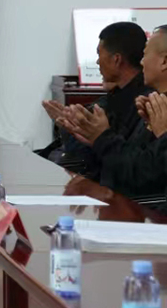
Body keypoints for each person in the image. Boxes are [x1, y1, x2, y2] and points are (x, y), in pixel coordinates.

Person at [60, 26, 167, 203]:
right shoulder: (154, 105)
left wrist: (102, 138)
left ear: (164, 62)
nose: (141, 63)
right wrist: (94, 138)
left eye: (145, 55)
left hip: (145, 211)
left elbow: (142, 176)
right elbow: (134, 162)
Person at [42, 21, 148, 176]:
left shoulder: (142, 103)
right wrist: (70, 126)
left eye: (99, 54)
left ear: (116, 59)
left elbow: (104, 159)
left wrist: (73, 130)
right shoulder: (117, 95)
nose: (97, 62)